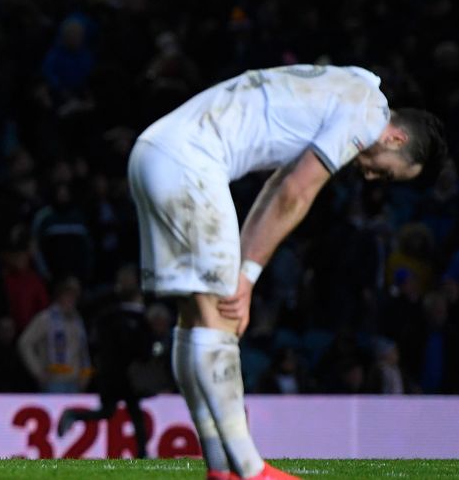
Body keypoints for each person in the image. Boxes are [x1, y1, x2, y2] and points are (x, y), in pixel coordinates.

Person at [127, 64, 447, 480]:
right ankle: (250, 470)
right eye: (384, 171)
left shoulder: (353, 87)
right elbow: (296, 193)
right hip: (191, 163)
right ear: (396, 138)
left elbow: (277, 188)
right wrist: (246, 278)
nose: (370, 176)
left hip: (155, 152)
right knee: (219, 317)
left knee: (196, 317)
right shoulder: (366, 116)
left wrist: (244, 270)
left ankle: (220, 468)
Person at [57, 265, 157, 459]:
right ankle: (143, 454)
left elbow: (98, 344)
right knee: (128, 412)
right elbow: (142, 348)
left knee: (113, 412)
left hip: (112, 374)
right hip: (125, 375)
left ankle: (75, 415)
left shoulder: (109, 316)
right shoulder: (134, 318)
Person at [17, 276, 92, 393]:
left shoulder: (77, 320)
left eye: (74, 296)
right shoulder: (46, 318)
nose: (71, 299)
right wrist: (37, 371)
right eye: (68, 295)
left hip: (75, 382)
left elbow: (82, 350)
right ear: (60, 295)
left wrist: (86, 373)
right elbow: (24, 343)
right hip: (54, 382)